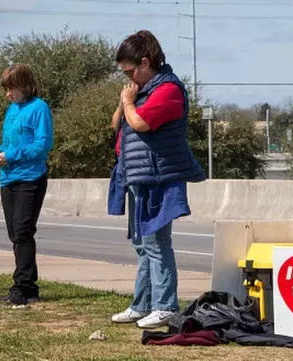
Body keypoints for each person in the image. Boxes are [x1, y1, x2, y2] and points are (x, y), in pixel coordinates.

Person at [109, 30, 206, 329]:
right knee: (141, 243)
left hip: (159, 177)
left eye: (130, 71)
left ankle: (165, 306)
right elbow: (117, 124)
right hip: (137, 174)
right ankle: (142, 304)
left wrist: (129, 103)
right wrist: (126, 100)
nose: (128, 78)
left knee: (156, 243)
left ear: (146, 62)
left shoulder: (168, 90)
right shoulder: (143, 91)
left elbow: (140, 123)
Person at [0, 63, 54, 306]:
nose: (8, 94)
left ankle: (23, 286)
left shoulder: (39, 108)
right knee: (14, 233)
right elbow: (10, 141)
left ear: (25, 85)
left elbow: (42, 145)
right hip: (8, 177)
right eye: (6, 89)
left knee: (23, 231)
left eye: (12, 88)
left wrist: (13, 155)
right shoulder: (11, 110)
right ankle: (29, 287)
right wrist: (0, 153)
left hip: (31, 178)